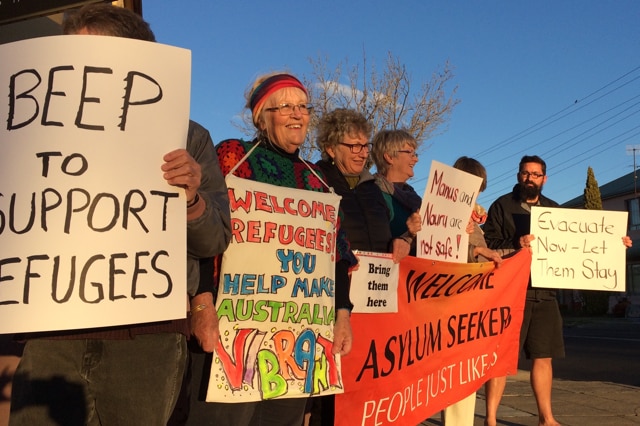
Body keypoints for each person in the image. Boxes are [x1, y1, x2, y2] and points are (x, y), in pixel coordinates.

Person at [9, 4, 231, 425]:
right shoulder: (34, 128)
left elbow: (214, 240)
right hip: (54, 328)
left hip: (147, 336)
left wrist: (190, 199)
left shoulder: (188, 137)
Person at [188, 73, 357, 426]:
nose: (297, 114)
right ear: (262, 116)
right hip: (234, 328)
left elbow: (336, 255)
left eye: (303, 106)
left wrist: (343, 314)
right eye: (285, 107)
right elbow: (208, 235)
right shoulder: (233, 157)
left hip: (298, 339)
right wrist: (202, 302)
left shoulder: (317, 180)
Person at [440, 156, 502, 426]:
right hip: (450, 303)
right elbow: (436, 251)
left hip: (470, 304)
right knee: (455, 374)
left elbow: (486, 258)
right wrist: (472, 248)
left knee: (465, 374)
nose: (477, 193)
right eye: (474, 187)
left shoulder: (472, 218)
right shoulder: (442, 210)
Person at [370, 129, 422, 256]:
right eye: (410, 153)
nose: (416, 159)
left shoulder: (416, 200)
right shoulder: (372, 195)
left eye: (415, 154)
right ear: (389, 157)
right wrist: (408, 234)